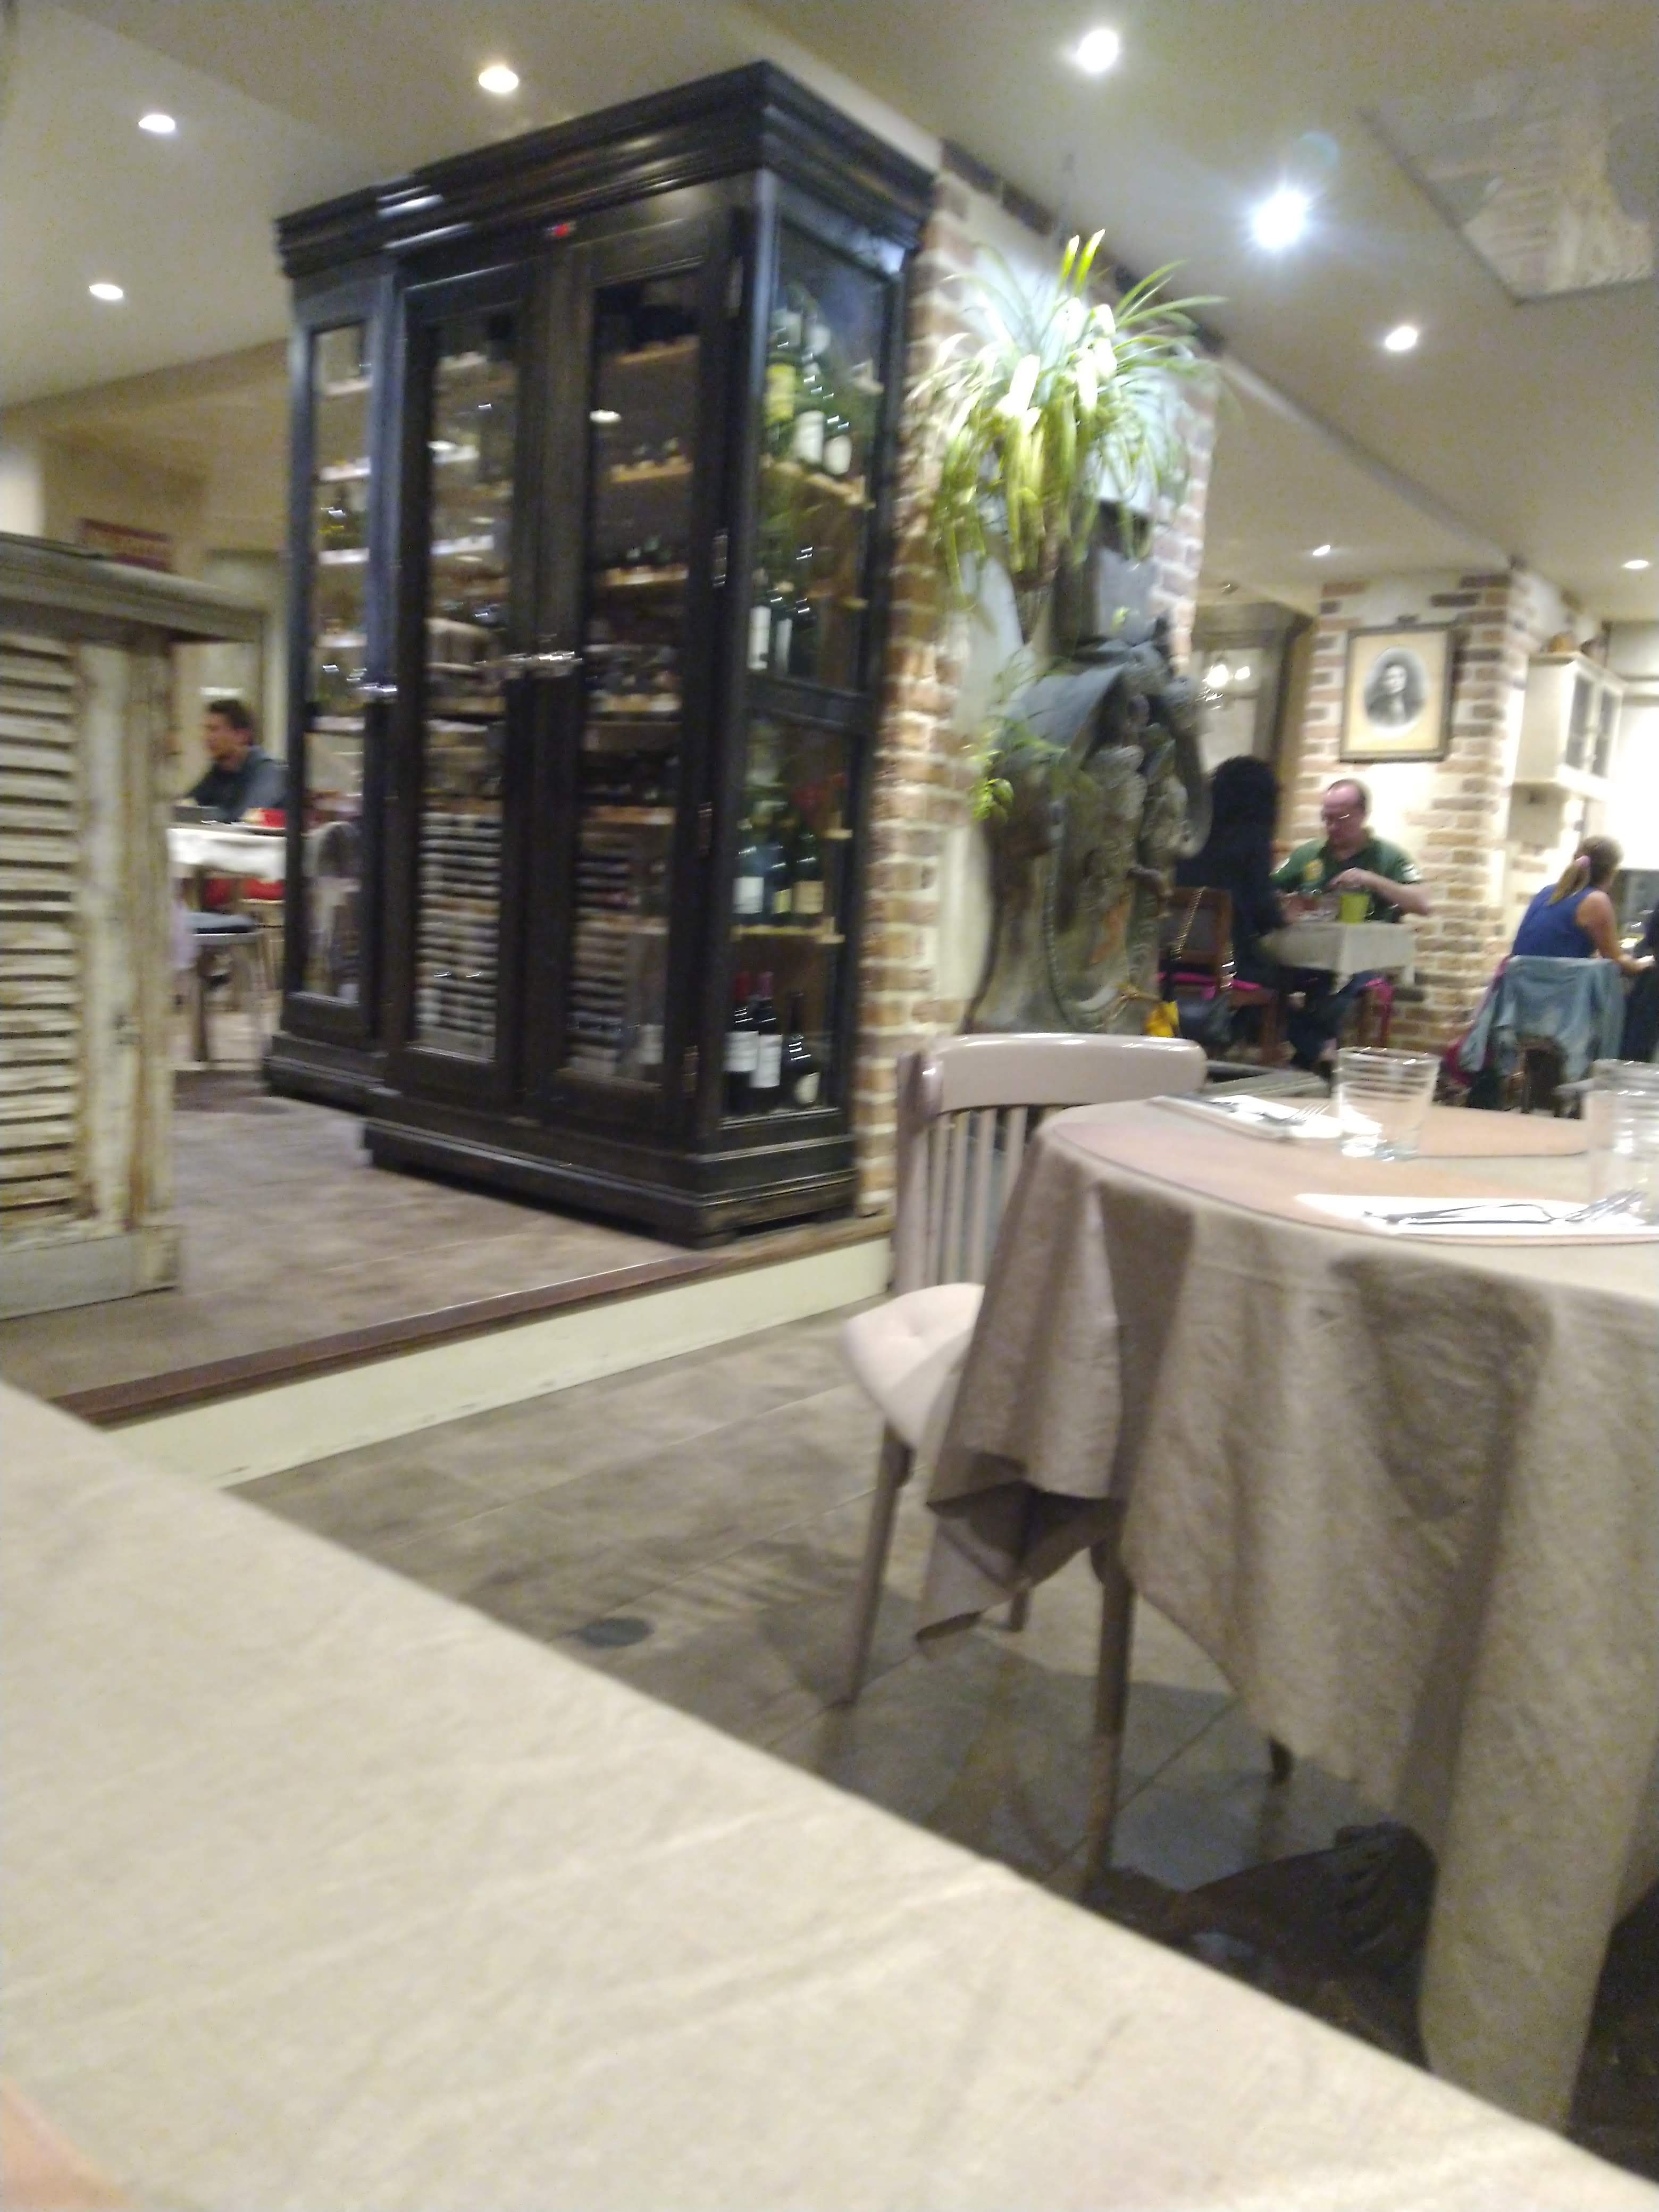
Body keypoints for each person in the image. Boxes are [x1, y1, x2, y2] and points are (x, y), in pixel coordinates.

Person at [1271, 777, 1431, 1070]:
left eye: (1341, 819)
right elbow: (1269, 890)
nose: (1332, 827)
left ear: (1362, 815)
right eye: (1326, 818)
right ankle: (1321, 1050)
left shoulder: (1387, 856)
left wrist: (1371, 879)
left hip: (1363, 960)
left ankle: (1310, 1055)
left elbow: (1423, 904)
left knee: (1336, 983)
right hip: (1307, 954)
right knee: (1266, 981)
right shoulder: (1309, 854)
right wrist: (1289, 901)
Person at [1174, 753, 1292, 1003]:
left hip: (1172, 964)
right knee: (1300, 976)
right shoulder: (1252, 842)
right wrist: (1285, 914)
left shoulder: (1189, 835)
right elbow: (1264, 916)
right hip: (1227, 969)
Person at [1512, 835, 1650, 974]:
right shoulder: (1596, 901)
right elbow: (1617, 962)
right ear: (1611, 872)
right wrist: (1647, 963)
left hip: (1518, 983)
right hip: (1555, 984)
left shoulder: (1548, 892)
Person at [188, 698, 287, 822]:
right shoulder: (219, 772)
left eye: (214, 730)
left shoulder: (267, 772)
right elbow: (188, 807)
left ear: (241, 735)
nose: (207, 737)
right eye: (206, 730)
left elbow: (247, 817)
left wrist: (204, 816)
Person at [1363, 651, 1425, 730]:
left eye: (1400, 676)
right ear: (1383, 682)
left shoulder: (1414, 706)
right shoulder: (1375, 709)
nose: (1396, 681)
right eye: (1391, 677)